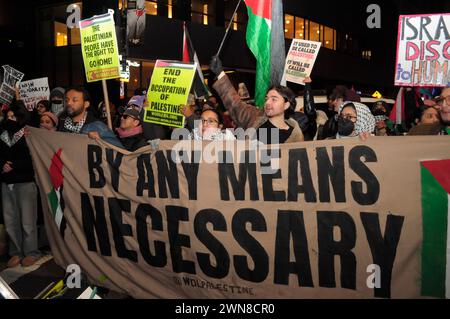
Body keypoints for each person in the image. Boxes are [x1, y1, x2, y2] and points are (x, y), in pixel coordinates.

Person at [209, 56, 303, 144]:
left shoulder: (296, 136)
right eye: (266, 98)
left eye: (274, 99)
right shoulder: (255, 117)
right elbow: (234, 104)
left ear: (286, 105)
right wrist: (220, 73)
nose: (267, 102)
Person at [0, 100, 41, 267]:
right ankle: (15, 252)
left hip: (24, 181)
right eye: (8, 116)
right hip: (5, 182)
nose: (10, 119)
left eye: (14, 116)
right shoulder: (1, 133)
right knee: (10, 220)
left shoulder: (29, 133)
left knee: (27, 221)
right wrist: (2, 165)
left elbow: (34, 158)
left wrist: (14, 166)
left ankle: (31, 252)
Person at [57, 86, 123, 148]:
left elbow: (120, 150)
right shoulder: (60, 123)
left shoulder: (98, 127)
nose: (69, 103)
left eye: (74, 100)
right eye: (66, 100)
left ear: (86, 104)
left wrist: (101, 141)